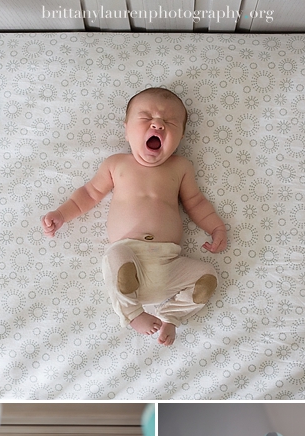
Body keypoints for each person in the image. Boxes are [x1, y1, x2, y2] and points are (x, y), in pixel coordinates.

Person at [42, 87, 227, 345]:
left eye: (170, 122)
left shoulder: (181, 167)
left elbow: (195, 202)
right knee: (113, 256)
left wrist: (216, 227)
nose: (158, 124)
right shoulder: (117, 164)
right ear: (127, 129)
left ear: (181, 136)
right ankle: (131, 312)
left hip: (169, 261)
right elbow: (88, 194)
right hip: (129, 257)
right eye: (146, 118)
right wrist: (62, 214)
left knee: (208, 275)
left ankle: (171, 316)